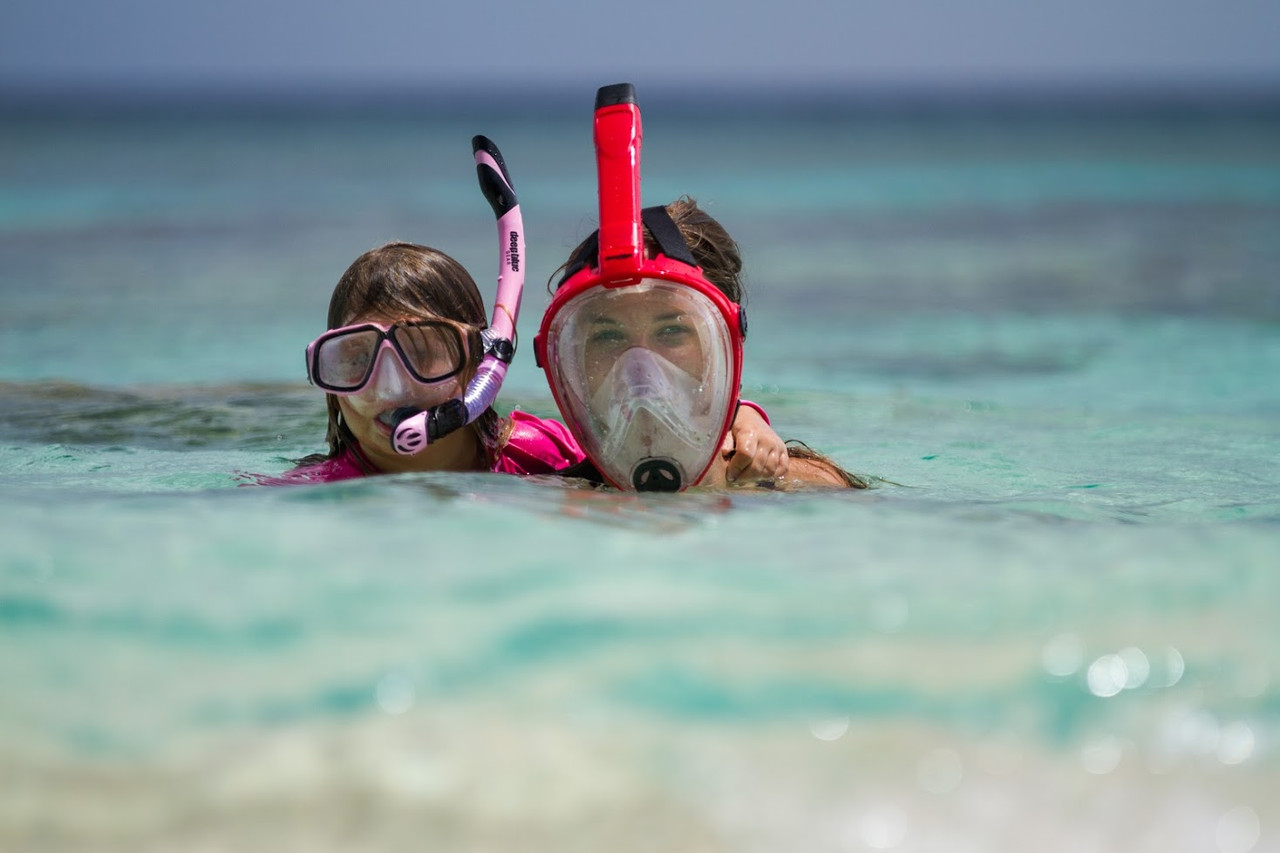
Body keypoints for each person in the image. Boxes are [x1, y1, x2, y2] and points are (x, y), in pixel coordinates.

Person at [261, 240, 787, 485]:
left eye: (423, 352)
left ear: (478, 364)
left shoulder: (537, 451)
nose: (388, 389)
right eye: (354, 362)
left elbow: (641, 434)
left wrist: (741, 417)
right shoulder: (316, 494)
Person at [545, 196, 867, 491]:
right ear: (572, 361)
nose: (639, 371)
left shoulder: (815, 490)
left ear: (725, 348)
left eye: (672, 331)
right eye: (608, 336)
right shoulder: (550, 503)